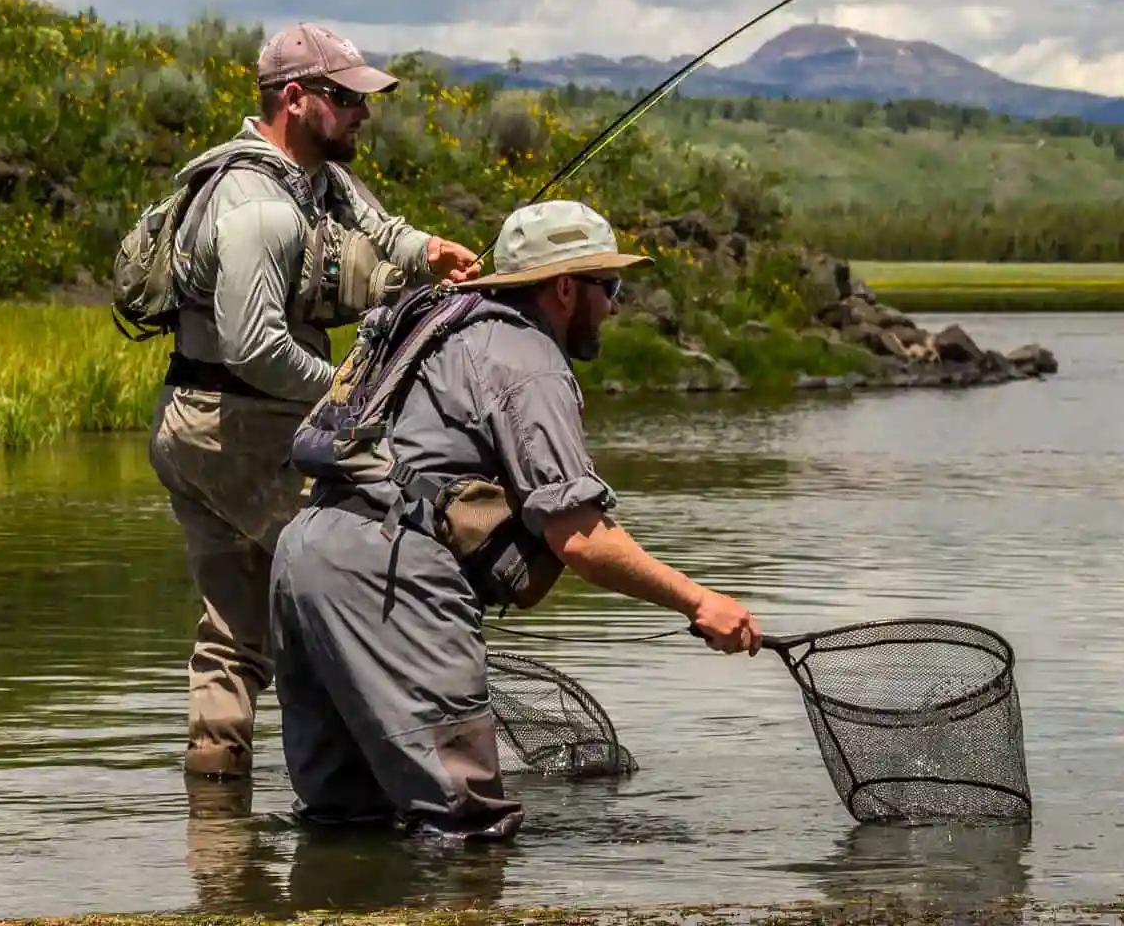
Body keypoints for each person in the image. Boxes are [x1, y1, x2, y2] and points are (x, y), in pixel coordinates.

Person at [267, 199, 762, 841]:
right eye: (607, 286)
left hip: (306, 550)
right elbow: (580, 537)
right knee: (465, 828)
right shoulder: (526, 356)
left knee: (344, 822)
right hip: (390, 573)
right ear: (563, 287)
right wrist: (699, 601)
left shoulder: (436, 322)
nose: (615, 304)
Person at [148, 20, 483, 780]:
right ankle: (390, 780)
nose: (364, 113)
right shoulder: (256, 207)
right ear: (296, 99)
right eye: (348, 99)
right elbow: (255, 348)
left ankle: (218, 833)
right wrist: (351, 396)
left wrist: (431, 253)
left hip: (204, 424)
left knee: (235, 630)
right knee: (360, 569)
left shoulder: (318, 180)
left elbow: (380, 229)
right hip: (228, 429)